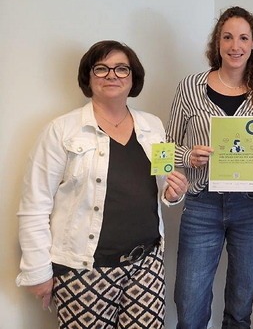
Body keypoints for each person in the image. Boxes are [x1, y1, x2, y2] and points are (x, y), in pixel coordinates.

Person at [16, 40, 188, 328]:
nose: (112, 75)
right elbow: (35, 203)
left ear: (133, 78)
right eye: (102, 68)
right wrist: (37, 272)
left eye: (122, 69)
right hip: (83, 270)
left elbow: (162, 187)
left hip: (146, 264)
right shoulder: (62, 130)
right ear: (88, 76)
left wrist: (173, 194)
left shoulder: (153, 126)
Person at [166, 6, 253, 329]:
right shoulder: (190, 87)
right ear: (217, 43)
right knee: (189, 307)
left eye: (243, 38)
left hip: (252, 207)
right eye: (228, 37)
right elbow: (162, 151)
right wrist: (187, 156)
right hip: (202, 204)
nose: (236, 45)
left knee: (240, 308)